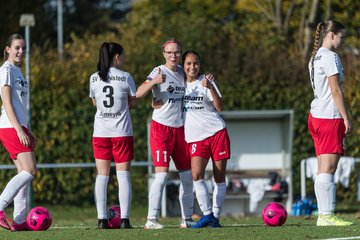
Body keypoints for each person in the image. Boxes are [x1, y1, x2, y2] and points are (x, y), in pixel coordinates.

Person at [136, 38, 195, 229]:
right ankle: (151, 219)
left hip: (182, 130)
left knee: (187, 177)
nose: (173, 55)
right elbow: (138, 93)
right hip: (162, 129)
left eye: (177, 52)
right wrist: (154, 81)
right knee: (161, 175)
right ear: (164, 54)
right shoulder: (158, 71)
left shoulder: (182, 72)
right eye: (169, 52)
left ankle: (186, 219)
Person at [308, 20, 353, 226]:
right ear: (332, 35)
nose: (342, 41)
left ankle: (324, 215)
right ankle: (326, 215)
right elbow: (336, 90)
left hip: (317, 116)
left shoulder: (314, 57)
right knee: (328, 168)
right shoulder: (330, 56)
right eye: (341, 36)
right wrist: (346, 117)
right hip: (329, 117)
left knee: (322, 167)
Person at [89, 42, 136, 229]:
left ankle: (101, 220)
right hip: (122, 132)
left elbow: (95, 103)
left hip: (100, 132)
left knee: (102, 176)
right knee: (123, 175)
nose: (123, 59)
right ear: (117, 56)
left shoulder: (94, 78)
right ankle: (124, 220)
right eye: (122, 56)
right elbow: (133, 101)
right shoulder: (125, 77)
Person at [181, 50, 230, 228]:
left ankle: (215, 216)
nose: (192, 67)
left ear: (199, 65)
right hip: (195, 138)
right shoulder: (179, 83)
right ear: (183, 65)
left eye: (196, 63)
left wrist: (210, 86)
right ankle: (207, 214)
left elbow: (220, 107)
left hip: (217, 133)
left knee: (219, 177)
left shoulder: (207, 81)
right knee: (196, 175)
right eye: (188, 63)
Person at [0, 33, 38, 231]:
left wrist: (27, 129)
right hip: (10, 126)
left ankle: (20, 220)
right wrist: (19, 130)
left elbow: (20, 104)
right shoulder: (6, 70)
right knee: (31, 170)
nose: (21, 51)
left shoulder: (18, 72)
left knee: (23, 172)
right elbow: (6, 103)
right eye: (17, 47)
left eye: (23, 48)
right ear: (8, 49)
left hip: (19, 126)